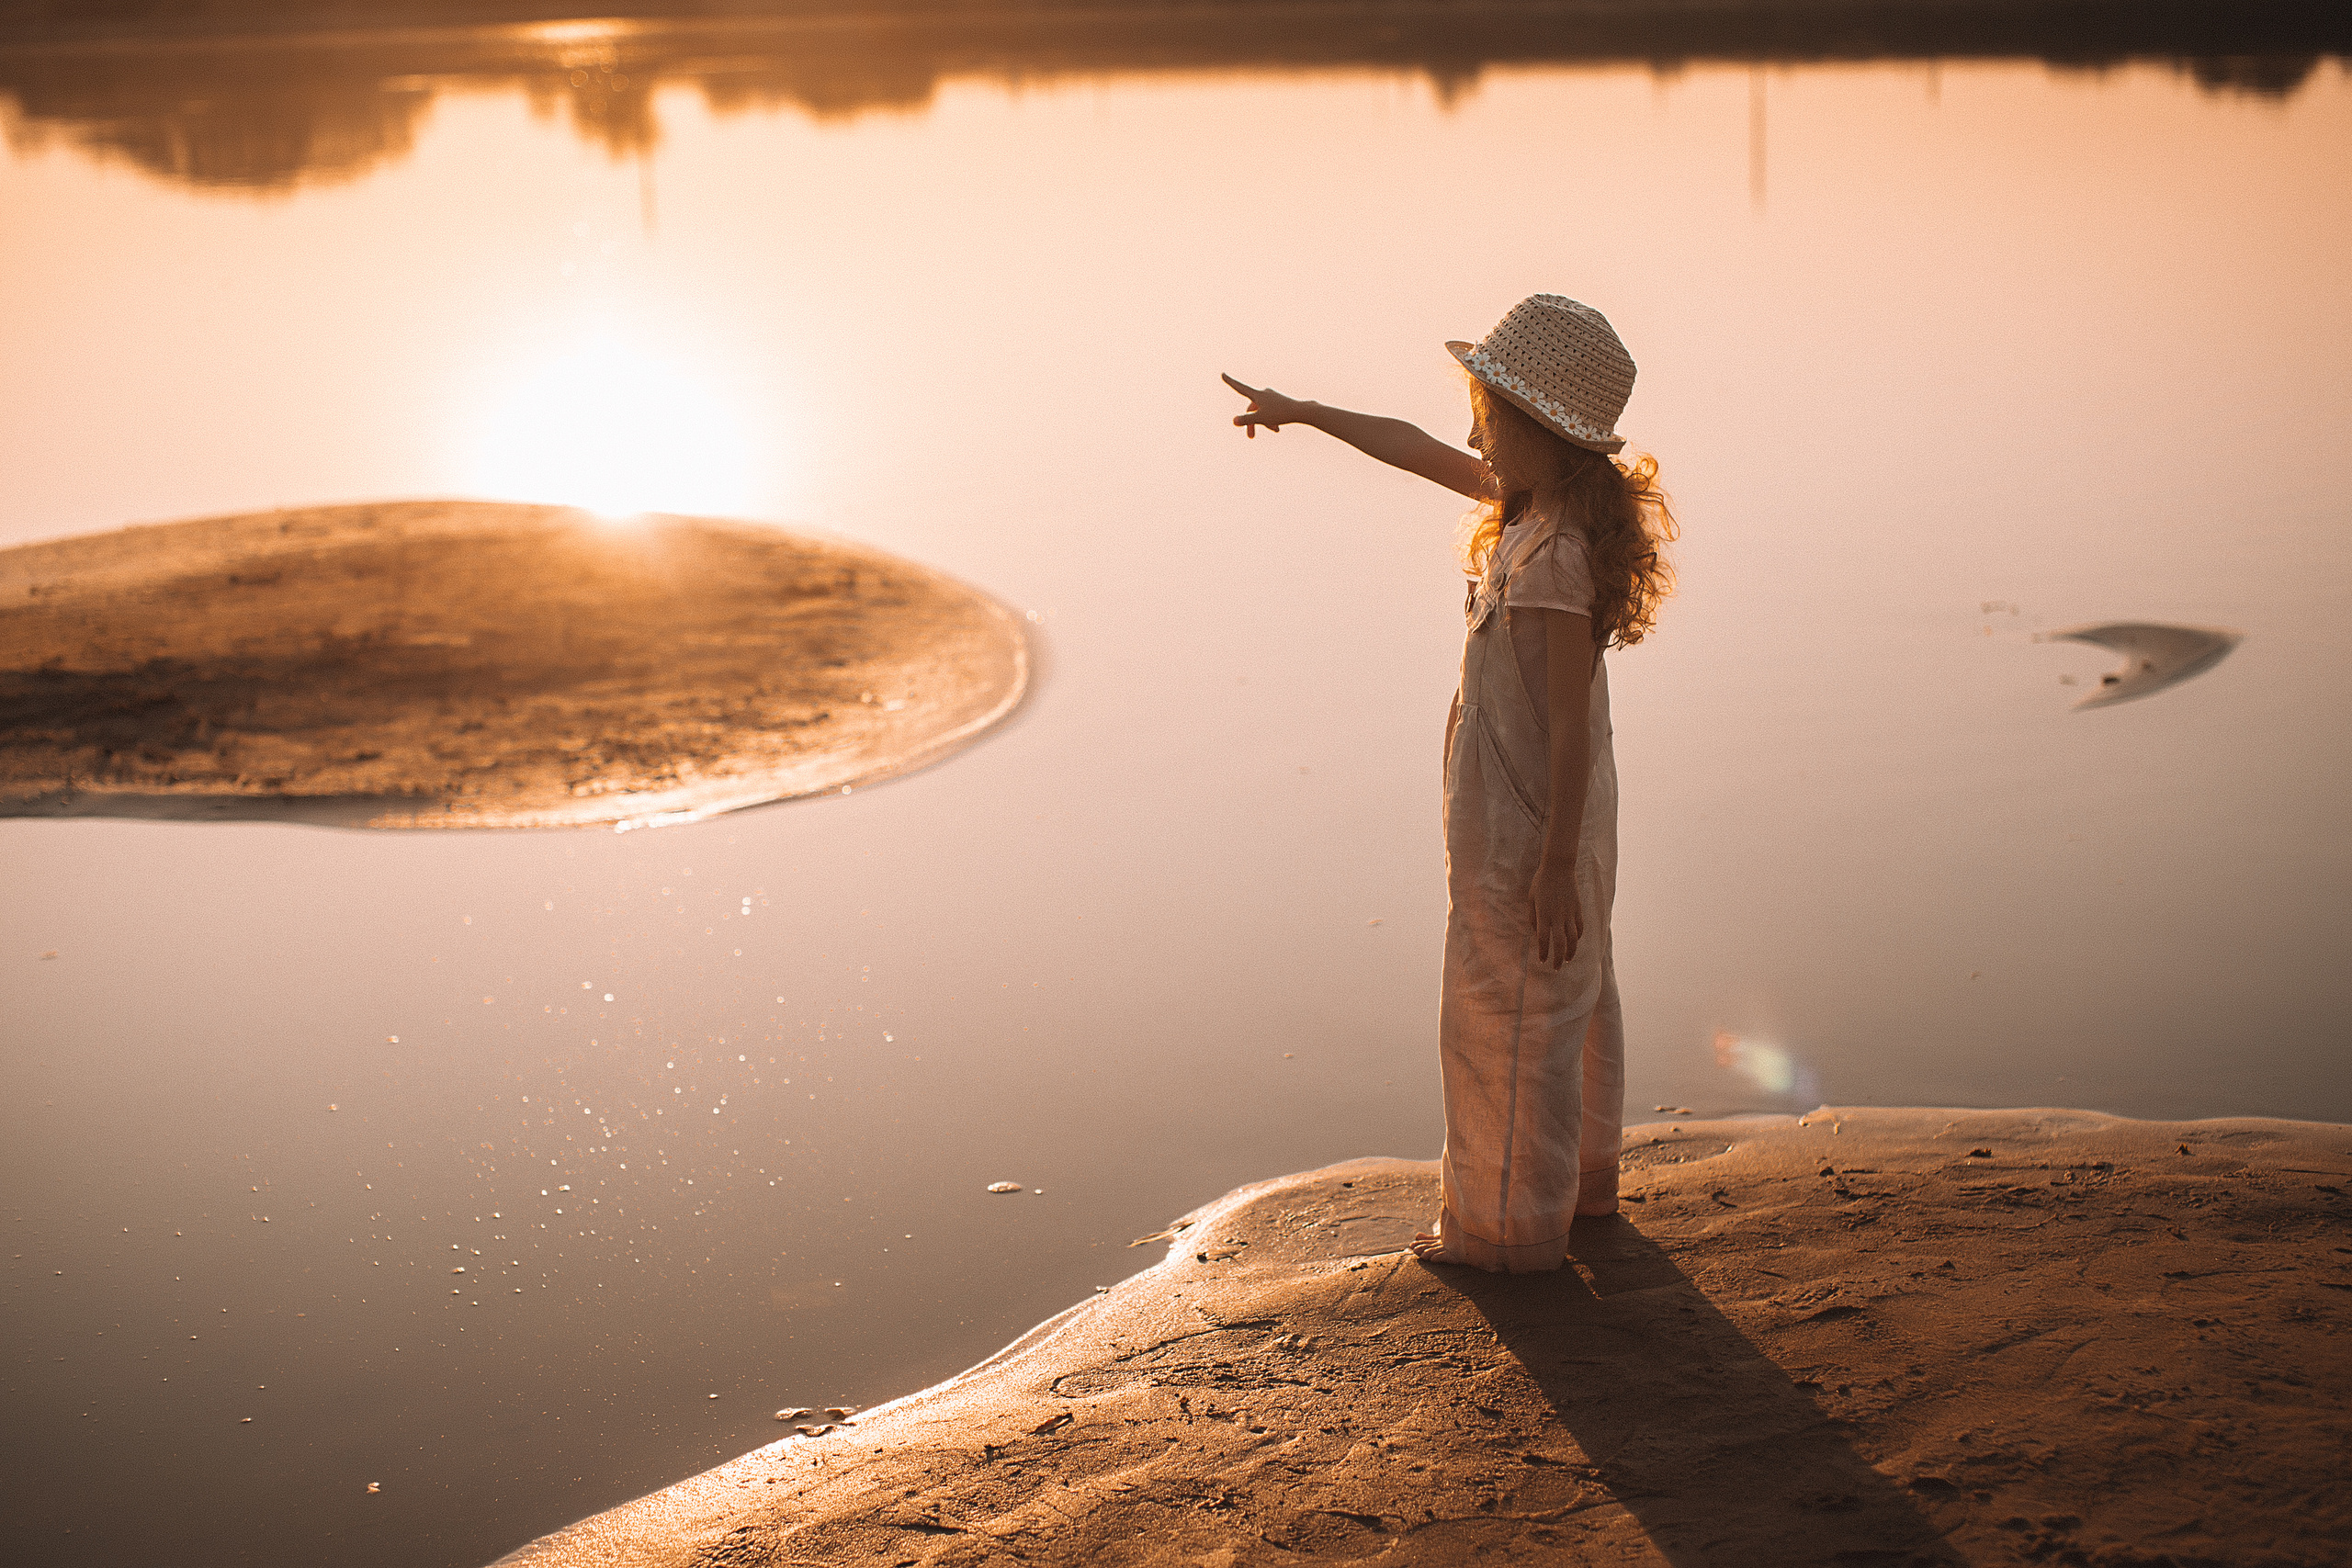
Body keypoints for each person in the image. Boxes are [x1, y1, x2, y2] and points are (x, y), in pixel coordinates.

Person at [1222, 295, 1676, 1272]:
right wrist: (1304, 410)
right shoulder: (1540, 510)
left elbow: (1566, 727)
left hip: (1533, 822)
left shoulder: (1552, 557)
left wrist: (1552, 863)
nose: (1474, 436)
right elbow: (1411, 446)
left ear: (1540, 430)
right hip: (1551, 810)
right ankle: (1580, 1187)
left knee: (1501, 1008)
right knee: (1569, 988)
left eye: (1490, 418)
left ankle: (1504, 1232)